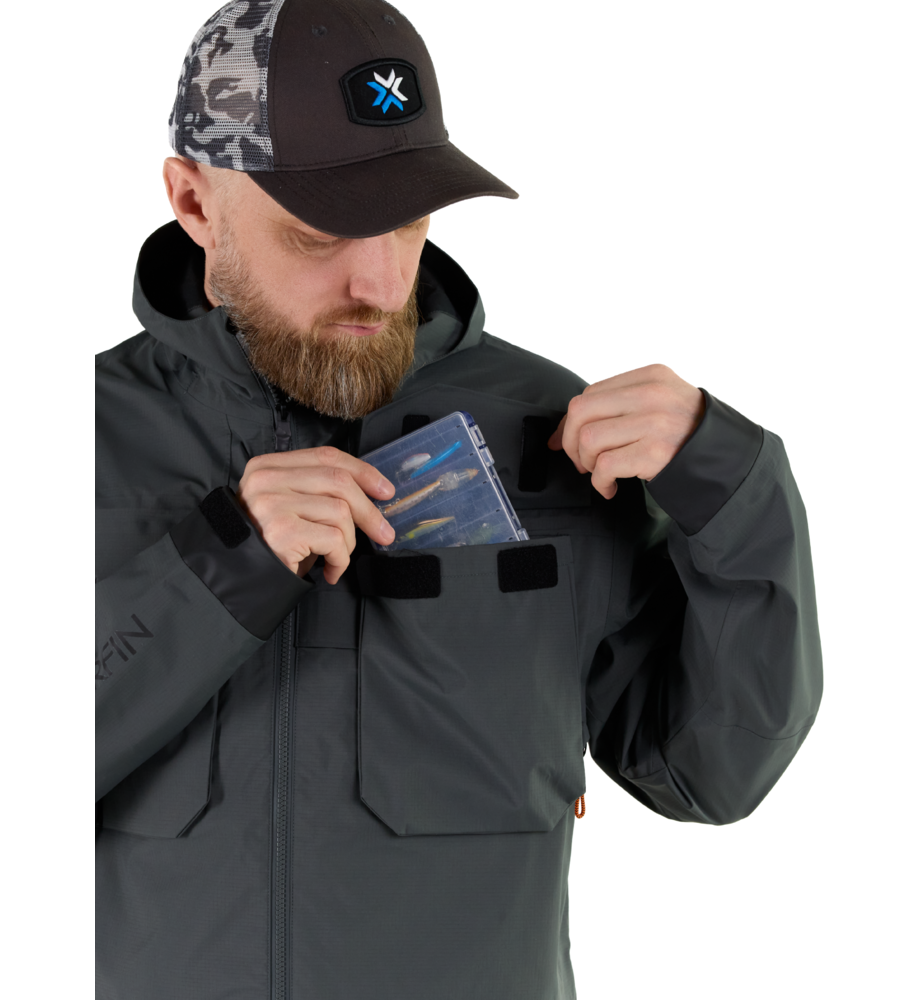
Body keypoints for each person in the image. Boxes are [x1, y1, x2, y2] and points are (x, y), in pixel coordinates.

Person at [95, 1, 823, 997]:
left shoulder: (549, 436)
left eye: (405, 218)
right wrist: (218, 565)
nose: (378, 280)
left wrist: (734, 490)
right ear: (193, 202)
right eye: (319, 232)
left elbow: (710, 770)